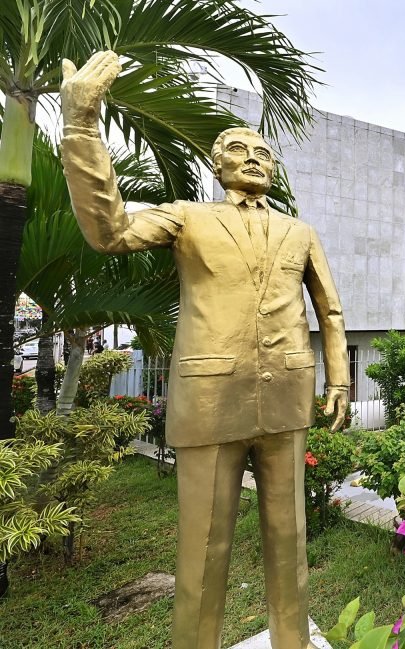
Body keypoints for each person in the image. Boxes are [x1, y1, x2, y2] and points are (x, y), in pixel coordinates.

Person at [59, 51, 350, 649]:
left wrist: (339, 380)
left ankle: (292, 640)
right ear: (218, 165)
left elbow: (330, 311)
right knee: (202, 552)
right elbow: (110, 232)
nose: (255, 158)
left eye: (264, 152)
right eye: (240, 149)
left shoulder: (300, 232)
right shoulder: (187, 218)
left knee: (290, 541)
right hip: (211, 400)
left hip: (287, 397)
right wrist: (82, 124)